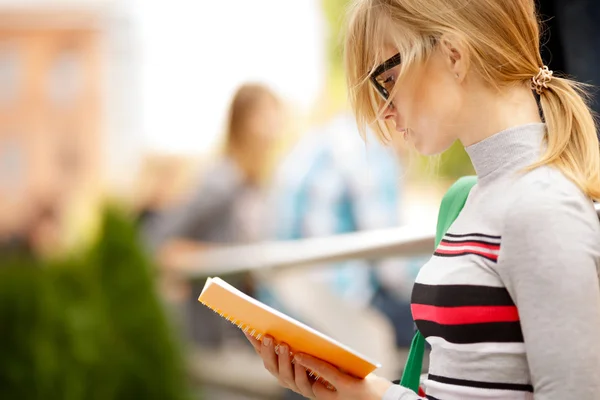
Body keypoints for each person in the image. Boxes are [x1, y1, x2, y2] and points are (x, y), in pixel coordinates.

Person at [245, 0, 600, 399]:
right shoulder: (469, 200)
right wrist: (359, 392)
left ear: (454, 55)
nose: (384, 111)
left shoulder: (543, 207)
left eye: (387, 79)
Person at [144, 83, 284, 348]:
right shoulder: (221, 181)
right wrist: (219, 258)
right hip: (217, 330)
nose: (275, 125)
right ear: (244, 122)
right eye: (266, 115)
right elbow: (160, 238)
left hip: (249, 321)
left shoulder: (258, 184)